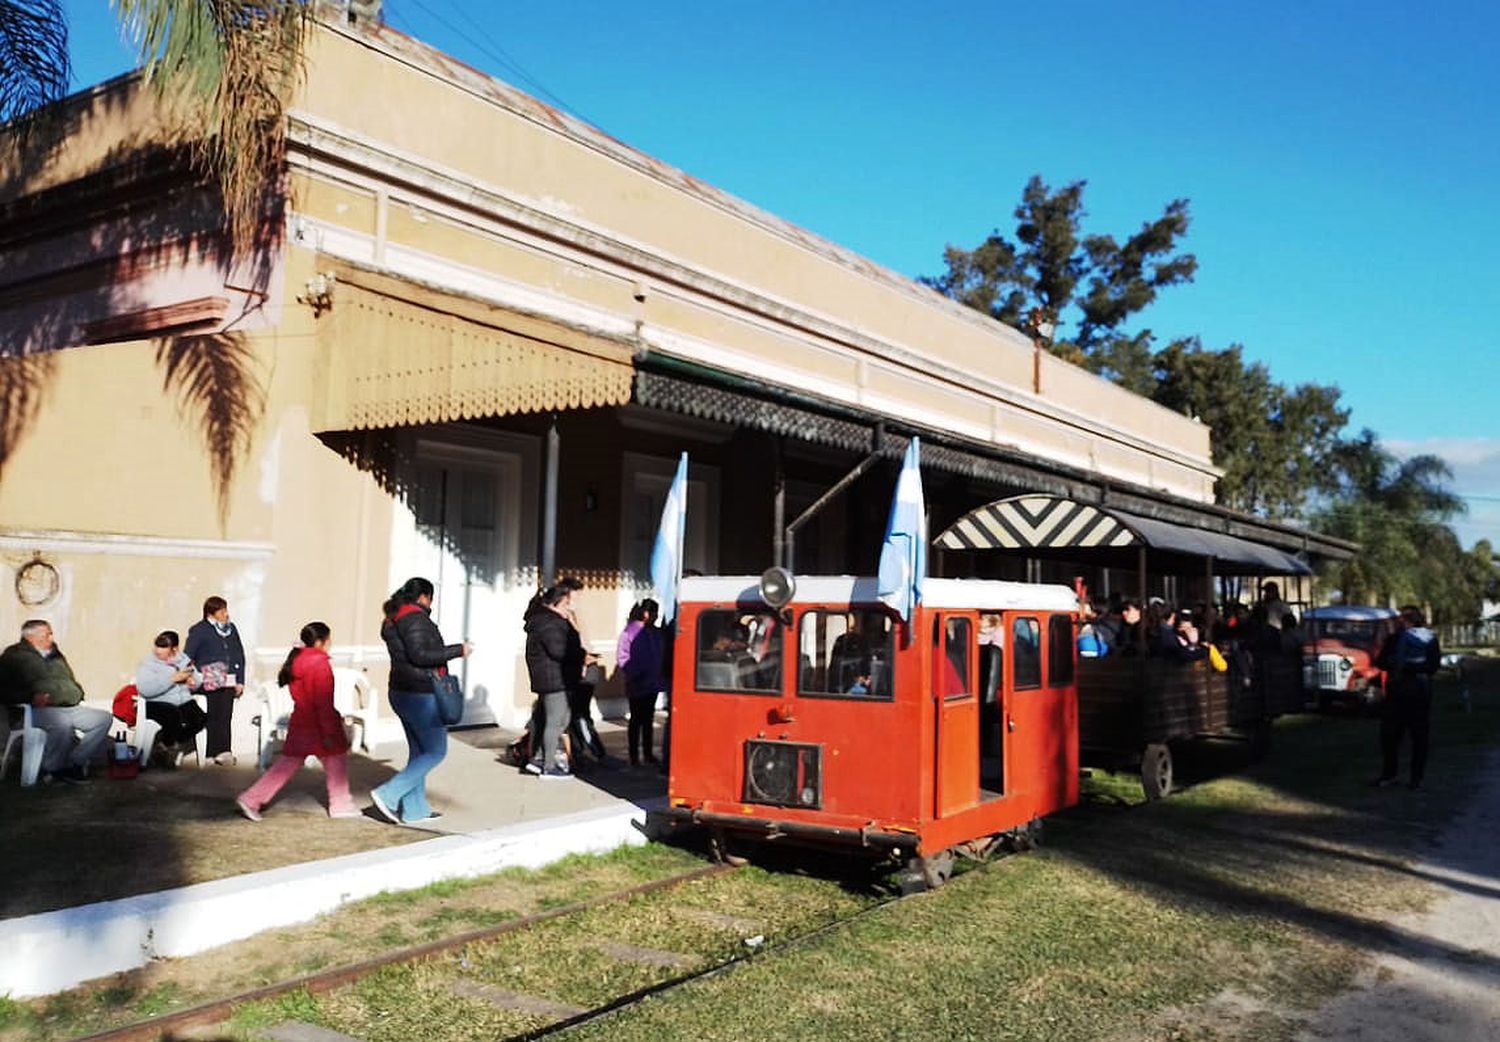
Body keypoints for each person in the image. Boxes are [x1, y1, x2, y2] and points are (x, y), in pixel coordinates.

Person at [370, 577, 471, 823]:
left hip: (401, 691)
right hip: (421, 694)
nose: (432, 603)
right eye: (431, 598)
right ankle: (388, 794)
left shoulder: (393, 618)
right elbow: (420, 655)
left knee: (419, 752)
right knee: (436, 751)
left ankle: (415, 810)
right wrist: (459, 650)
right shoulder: (414, 618)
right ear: (424, 597)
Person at [235, 622, 358, 821]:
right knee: (336, 762)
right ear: (320, 642)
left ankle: (251, 799)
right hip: (319, 723)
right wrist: (330, 731)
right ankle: (341, 804)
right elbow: (323, 701)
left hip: (301, 720)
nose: (330, 643)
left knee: (286, 765)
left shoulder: (297, 659)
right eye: (328, 639)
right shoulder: (320, 663)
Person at [0, 619, 112, 783]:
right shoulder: (13, 657)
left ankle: (75, 762)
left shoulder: (56, 656)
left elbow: (70, 681)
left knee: (102, 718)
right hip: (32, 712)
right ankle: (54, 769)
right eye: (47, 634)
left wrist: (77, 692)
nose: (52, 638)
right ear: (32, 637)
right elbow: (3, 691)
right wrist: (30, 697)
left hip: (67, 706)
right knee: (62, 723)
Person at [1372, 605, 1442, 790]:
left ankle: (1392, 775)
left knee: (1392, 736)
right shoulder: (1430, 639)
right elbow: (1433, 666)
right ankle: (1414, 778)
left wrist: (1400, 666)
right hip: (1418, 692)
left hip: (1400, 691)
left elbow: (1380, 661)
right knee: (1416, 737)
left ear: (1404, 620)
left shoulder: (1396, 639)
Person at [524, 583, 581, 778]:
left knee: (553, 719)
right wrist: (580, 654)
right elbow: (559, 650)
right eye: (566, 604)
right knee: (557, 720)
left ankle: (539, 758)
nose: (569, 608)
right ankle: (549, 766)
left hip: (550, 677)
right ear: (556, 603)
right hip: (553, 678)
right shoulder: (550, 623)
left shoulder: (544, 620)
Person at [183, 596, 247, 766]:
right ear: (211, 614)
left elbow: (239, 654)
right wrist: (190, 676)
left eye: (226, 610)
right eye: (222, 611)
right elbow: (188, 655)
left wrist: (240, 680)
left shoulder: (231, 629)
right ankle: (212, 751)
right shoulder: (199, 630)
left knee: (225, 714)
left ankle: (224, 750)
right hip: (207, 680)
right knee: (214, 713)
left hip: (227, 680)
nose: (226, 614)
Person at [134, 630, 207, 767]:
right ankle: (168, 745)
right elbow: (145, 690)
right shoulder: (148, 664)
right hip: (156, 702)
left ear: (174, 649)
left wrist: (193, 681)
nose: (158, 650)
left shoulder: (183, 660)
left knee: (201, 718)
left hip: (182, 701)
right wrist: (172, 679)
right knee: (173, 714)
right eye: (157, 646)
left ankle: (166, 744)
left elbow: (196, 679)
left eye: (163, 647)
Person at [616, 599, 665, 767]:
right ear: (645, 613)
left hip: (652, 682)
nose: (655, 617)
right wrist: (634, 673)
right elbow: (623, 657)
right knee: (636, 720)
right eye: (653, 613)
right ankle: (634, 755)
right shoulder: (630, 632)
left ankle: (648, 752)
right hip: (637, 682)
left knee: (648, 719)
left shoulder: (656, 633)